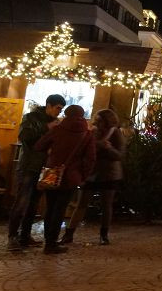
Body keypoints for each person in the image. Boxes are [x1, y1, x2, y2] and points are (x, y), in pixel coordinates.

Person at [33, 105, 95, 255]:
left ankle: (49, 241)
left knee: (50, 208)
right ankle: (52, 243)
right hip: (71, 177)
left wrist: (52, 154)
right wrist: (83, 176)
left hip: (52, 174)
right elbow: (90, 159)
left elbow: (38, 146)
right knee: (60, 209)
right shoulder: (87, 134)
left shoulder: (57, 130)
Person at [7, 93, 65, 252]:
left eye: (61, 109)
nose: (59, 112)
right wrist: (47, 128)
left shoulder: (55, 122)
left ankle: (25, 236)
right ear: (49, 105)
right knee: (21, 202)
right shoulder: (31, 118)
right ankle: (12, 237)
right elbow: (24, 136)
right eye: (58, 108)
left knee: (33, 204)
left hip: (43, 169)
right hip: (28, 166)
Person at [61, 109, 125, 246]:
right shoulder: (92, 132)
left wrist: (108, 149)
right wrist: (99, 145)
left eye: (100, 121)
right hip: (91, 173)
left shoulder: (115, 133)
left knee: (106, 205)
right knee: (81, 203)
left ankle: (104, 235)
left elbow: (120, 155)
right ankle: (69, 233)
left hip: (109, 174)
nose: (97, 123)